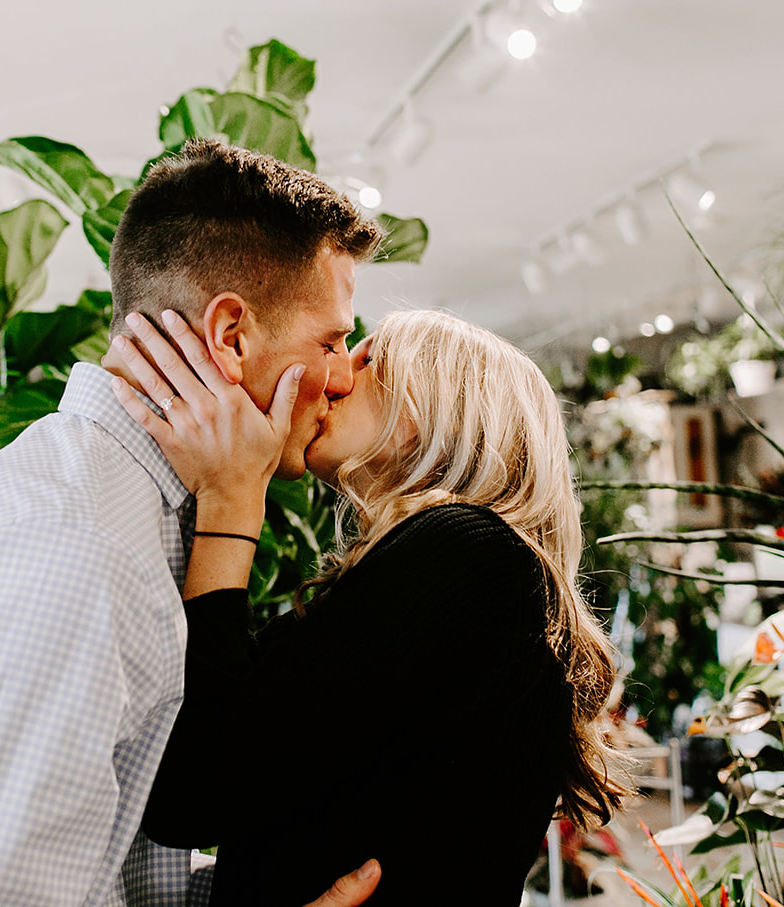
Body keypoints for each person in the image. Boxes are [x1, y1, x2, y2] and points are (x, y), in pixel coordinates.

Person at [0, 140, 387, 907]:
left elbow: (91, 869)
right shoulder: (72, 545)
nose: (343, 374)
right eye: (332, 340)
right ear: (233, 336)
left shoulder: (110, 513)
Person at [111, 308, 630, 906]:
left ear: (438, 404)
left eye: (368, 357)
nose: (336, 376)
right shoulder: (470, 572)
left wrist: (232, 497)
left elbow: (193, 789)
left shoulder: (469, 552)